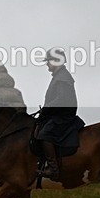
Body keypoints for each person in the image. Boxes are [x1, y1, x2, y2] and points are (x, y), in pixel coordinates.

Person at [35, 48, 78, 181]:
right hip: (57, 115)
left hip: (63, 117)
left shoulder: (62, 78)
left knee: (45, 135)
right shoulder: (60, 76)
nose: (47, 64)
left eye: (48, 61)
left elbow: (61, 99)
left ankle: (54, 169)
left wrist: (45, 109)